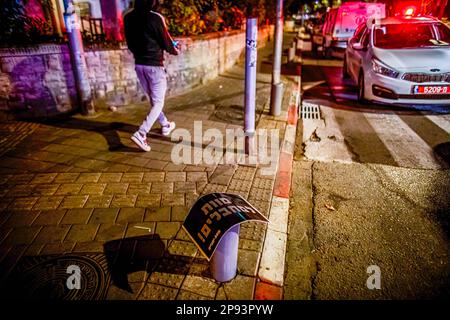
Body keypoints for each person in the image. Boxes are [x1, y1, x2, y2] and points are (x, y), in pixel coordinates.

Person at [124, 0, 179, 152]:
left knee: (153, 100)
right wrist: (175, 50)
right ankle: (141, 133)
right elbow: (166, 41)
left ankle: (165, 125)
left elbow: (129, 44)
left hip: (139, 65)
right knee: (158, 102)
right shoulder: (155, 18)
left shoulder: (128, 18)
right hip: (155, 66)